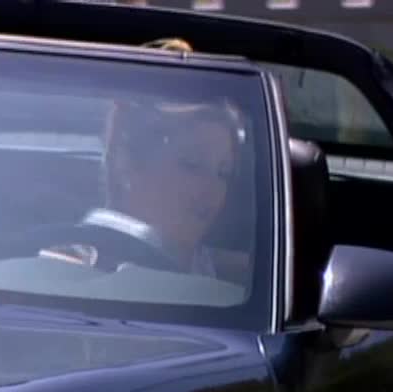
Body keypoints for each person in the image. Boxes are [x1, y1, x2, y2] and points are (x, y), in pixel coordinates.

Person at [40, 40, 247, 276]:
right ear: (127, 161)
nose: (212, 190)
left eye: (223, 173)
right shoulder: (62, 269)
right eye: (192, 165)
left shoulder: (240, 282)